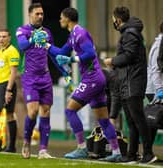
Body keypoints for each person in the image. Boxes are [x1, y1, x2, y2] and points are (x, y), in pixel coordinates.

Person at [35, 7, 123, 162]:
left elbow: (90, 54)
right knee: (102, 119)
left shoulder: (80, 33)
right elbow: (62, 51)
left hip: (92, 78)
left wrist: (71, 60)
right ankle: (116, 152)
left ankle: (82, 148)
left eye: (61, 17)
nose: (60, 20)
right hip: (95, 78)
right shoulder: (73, 35)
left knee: (70, 111)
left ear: (68, 18)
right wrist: (46, 45)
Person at [103, 6, 157, 164]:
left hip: (134, 82)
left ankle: (148, 153)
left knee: (139, 119)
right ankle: (131, 155)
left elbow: (129, 55)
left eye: (114, 20)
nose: (113, 22)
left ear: (118, 20)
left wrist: (112, 61)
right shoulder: (129, 33)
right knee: (131, 121)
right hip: (127, 82)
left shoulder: (130, 33)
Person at [16, 3, 54, 159]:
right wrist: (32, 38)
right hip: (30, 77)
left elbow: (51, 52)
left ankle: (43, 150)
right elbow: (23, 46)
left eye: (42, 14)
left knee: (45, 111)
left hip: (45, 76)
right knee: (32, 112)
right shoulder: (22, 30)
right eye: (37, 13)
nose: (40, 16)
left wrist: (64, 69)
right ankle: (26, 141)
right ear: (30, 14)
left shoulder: (47, 32)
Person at [0, 29, 19, 152]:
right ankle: (0, 144)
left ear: (9, 38)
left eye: (4, 36)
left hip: (7, 86)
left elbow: (13, 72)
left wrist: (8, 90)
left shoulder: (12, 51)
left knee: (9, 115)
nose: (1, 39)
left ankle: (11, 146)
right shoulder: (1, 51)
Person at [145, 21, 163, 147]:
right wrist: (160, 90)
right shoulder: (159, 45)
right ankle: (147, 151)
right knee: (154, 119)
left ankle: (147, 151)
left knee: (154, 122)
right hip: (155, 89)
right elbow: (155, 69)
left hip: (155, 88)